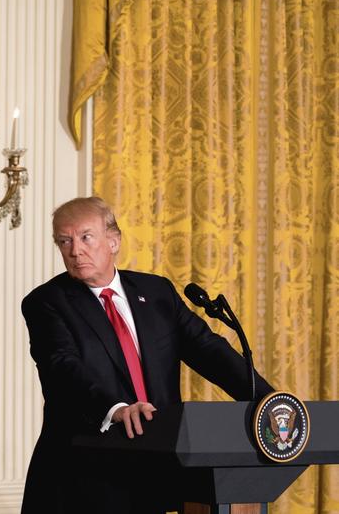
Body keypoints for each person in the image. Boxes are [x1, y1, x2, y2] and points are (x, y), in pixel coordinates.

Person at [21, 197, 273, 514]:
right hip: (83, 472)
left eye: (86, 237)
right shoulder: (47, 302)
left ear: (113, 241)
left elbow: (209, 350)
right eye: (64, 241)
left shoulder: (157, 293)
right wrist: (115, 408)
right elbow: (62, 367)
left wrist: (269, 402)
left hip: (157, 462)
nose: (75, 250)